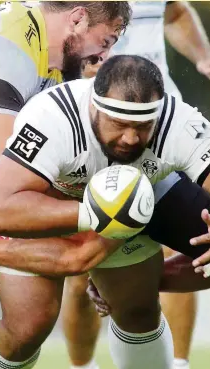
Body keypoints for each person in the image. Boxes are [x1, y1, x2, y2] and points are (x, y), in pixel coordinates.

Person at [0, 55, 210, 369]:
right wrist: (95, 214)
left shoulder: (179, 122)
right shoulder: (51, 117)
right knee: (27, 329)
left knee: (137, 310)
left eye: (143, 127)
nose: (131, 138)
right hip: (52, 200)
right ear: (94, 107)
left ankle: (145, 284)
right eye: (119, 124)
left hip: (145, 194)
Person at [0, 2, 131, 369]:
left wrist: (91, 254)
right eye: (106, 40)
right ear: (78, 18)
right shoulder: (5, 42)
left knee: (31, 322)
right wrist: (91, 221)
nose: (106, 55)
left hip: (0, 192)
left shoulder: (61, 67)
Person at [83, 2, 210, 368]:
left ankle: (179, 364)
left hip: (160, 131)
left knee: (185, 245)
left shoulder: (177, 123)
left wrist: (203, 58)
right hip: (93, 136)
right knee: (82, 270)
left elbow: (174, 11)